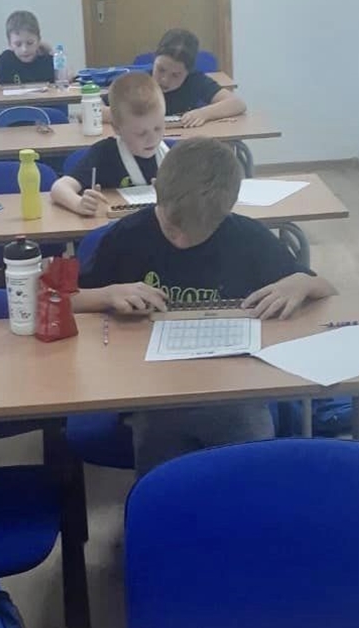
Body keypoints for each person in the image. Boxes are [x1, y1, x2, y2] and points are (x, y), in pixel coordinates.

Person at [74, 138, 336, 475]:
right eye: (173, 228)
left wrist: (302, 282)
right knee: (162, 454)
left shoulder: (248, 238)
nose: (182, 241)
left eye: (198, 232)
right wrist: (108, 294)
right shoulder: (128, 236)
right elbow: (70, 299)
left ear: (228, 210)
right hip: (154, 390)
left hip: (233, 389)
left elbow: (328, 292)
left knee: (247, 454)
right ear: (156, 190)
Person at [51, 72, 167, 217]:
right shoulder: (104, 153)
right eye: (140, 133)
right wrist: (78, 204)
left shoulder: (172, 154)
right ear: (117, 128)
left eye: (158, 128)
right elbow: (59, 188)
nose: (152, 139)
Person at [151, 28, 246, 128]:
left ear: (188, 72)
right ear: (154, 60)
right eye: (160, 69)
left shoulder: (195, 80)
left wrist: (203, 113)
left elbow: (238, 103)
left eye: (175, 75)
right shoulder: (141, 80)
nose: (164, 80)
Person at [0, 11, 53, 94]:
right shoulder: (7, 59)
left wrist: (52, 52)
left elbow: (62, 79)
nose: (24, 49)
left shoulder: (46, 59)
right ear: (10, 44)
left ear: (38, 41)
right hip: (13, 102)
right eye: (18, 44)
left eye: (30, 43)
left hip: (43, 102)